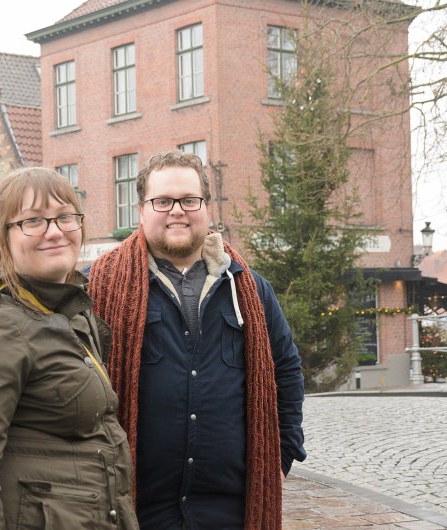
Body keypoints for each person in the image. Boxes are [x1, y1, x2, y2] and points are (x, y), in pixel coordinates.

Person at [88, 150, 307, 529]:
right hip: (135, 508)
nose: (177, 210)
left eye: (190, 200)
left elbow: (285, 372)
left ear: (206, 207)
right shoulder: (99, 288)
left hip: (231, 511)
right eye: (163, 201)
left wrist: (282, 454)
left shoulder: (249, 289)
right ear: (142, 210)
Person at [0, 167, 137, 529]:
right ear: (0, 240)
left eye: (65, 217)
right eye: (32, 221)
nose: (54, 232)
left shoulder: (69, 315)